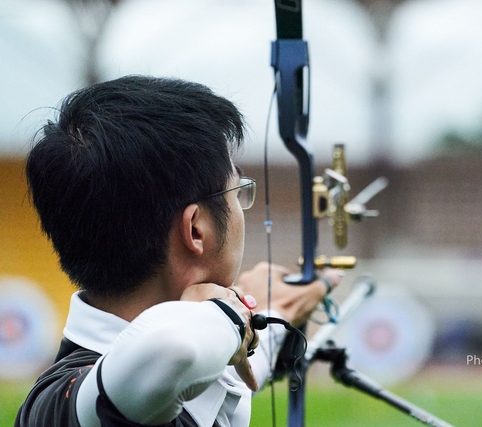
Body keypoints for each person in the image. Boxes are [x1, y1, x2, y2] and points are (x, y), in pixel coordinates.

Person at [14, 75, 341, 427]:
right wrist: (230, 314)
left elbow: (221, 364)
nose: (240, 208)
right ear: (196, 229)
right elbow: (174, 350)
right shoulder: (63, 405)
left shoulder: (192, 353)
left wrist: (275, 314)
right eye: (237, 193)